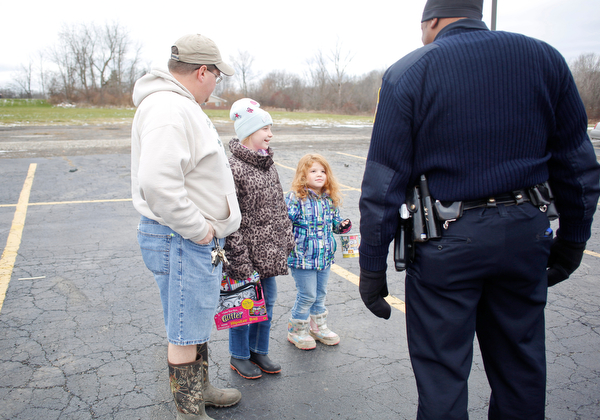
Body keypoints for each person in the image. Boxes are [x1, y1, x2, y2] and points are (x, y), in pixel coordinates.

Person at [358, 1, 600, 419]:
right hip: (527, 232)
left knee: (442, 376)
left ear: (431, 20)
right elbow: (577, 165)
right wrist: (573, 239)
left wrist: (372, 267)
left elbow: (383, 184)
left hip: (447, 241)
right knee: (521, 368)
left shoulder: (412, 70)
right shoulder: (545, 59)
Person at [131, 34, 242, 420]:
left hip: (188, 239)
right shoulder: (167, 108)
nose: (217, 83)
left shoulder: (178, 104)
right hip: (181, 237)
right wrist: (200, 229)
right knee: (184, 328)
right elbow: (159, 183)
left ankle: (201, 391)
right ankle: (189, 412)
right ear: (201, 71)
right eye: (217, 75)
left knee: (193, 320)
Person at [223, 98, 294, 380]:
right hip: (245, 257)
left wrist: (286, 238)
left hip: (269, 254)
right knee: (243, 307)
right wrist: (238, 259)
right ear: (248, 132)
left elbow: (280, 207)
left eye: (270, 127)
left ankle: (258, 350)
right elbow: (229, 219)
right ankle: (239, 356)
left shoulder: (268, 164)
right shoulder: (233, 168)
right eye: (265, 127)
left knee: (269, 302)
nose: (270, 133)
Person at [286, 154, 352, 350]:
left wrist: (342, 226)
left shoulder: (328, 199)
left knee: (320, 294)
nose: (319, 174)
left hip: (324, 257)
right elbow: (284, 223)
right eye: (313, 171)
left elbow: (334, 222)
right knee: (307, 295)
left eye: (322, 171)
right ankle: (296, 329)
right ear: (303, 175)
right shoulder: (296, 198)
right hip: (302, 258)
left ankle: (318, 327)